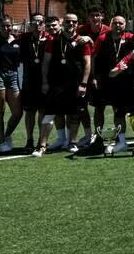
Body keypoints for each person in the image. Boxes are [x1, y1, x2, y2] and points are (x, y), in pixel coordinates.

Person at [36, 13, 95, 156]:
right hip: (56, 83)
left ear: (77, 23)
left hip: (76, 83)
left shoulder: (83, 41)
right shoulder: (54, 40)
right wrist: (44, 82)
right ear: (63, 23)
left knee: (74, 114)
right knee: (49, 114)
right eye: (68, 21)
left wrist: (83, 83)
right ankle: (41, 145)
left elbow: (87, 63)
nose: (71, 24)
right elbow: (46, 63)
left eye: (73, 22)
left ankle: (72, 142)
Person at [90, 15, 133, 152]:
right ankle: (98, 136)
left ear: (125, 25)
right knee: (99, 108)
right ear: (111, 24)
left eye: (121, 23)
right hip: (104, 79)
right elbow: (93, 58)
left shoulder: (130, 38)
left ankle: (121, 140)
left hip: (122, 81)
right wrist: (94, 77)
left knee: (119, 111)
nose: (118, 25)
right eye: (115, 23)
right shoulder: (103, 38)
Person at [18, 14, 49, 151]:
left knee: (42, 111)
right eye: (34, 22)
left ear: (44, 24)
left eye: (40, 22)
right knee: (30, 112)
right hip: (28, 81)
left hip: (44, 81)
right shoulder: (24, 39)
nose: (37, 24)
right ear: (30, 24)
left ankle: (41, 141)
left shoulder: (50, 39)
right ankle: (29, 139)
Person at [0, 18, 24, 153]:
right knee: (0, 110)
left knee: (18, 112)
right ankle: (2, 142)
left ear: (12, 26)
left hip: (13, 75)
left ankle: (7, 135)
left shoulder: (18, 40)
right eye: (3, 26)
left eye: (8, 25)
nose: (6, 28)